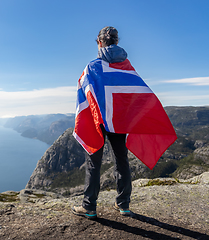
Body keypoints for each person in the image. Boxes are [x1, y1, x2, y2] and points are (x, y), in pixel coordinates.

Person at [71, 26, 132, 219]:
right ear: (116, 42)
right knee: (121, 160)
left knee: (93, 162)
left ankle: (89, 206)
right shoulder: (127, 66)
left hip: (98, 120)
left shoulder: (93, 67)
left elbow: (84, 92)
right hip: (120, 119)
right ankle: (123, 205)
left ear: (99, 42)